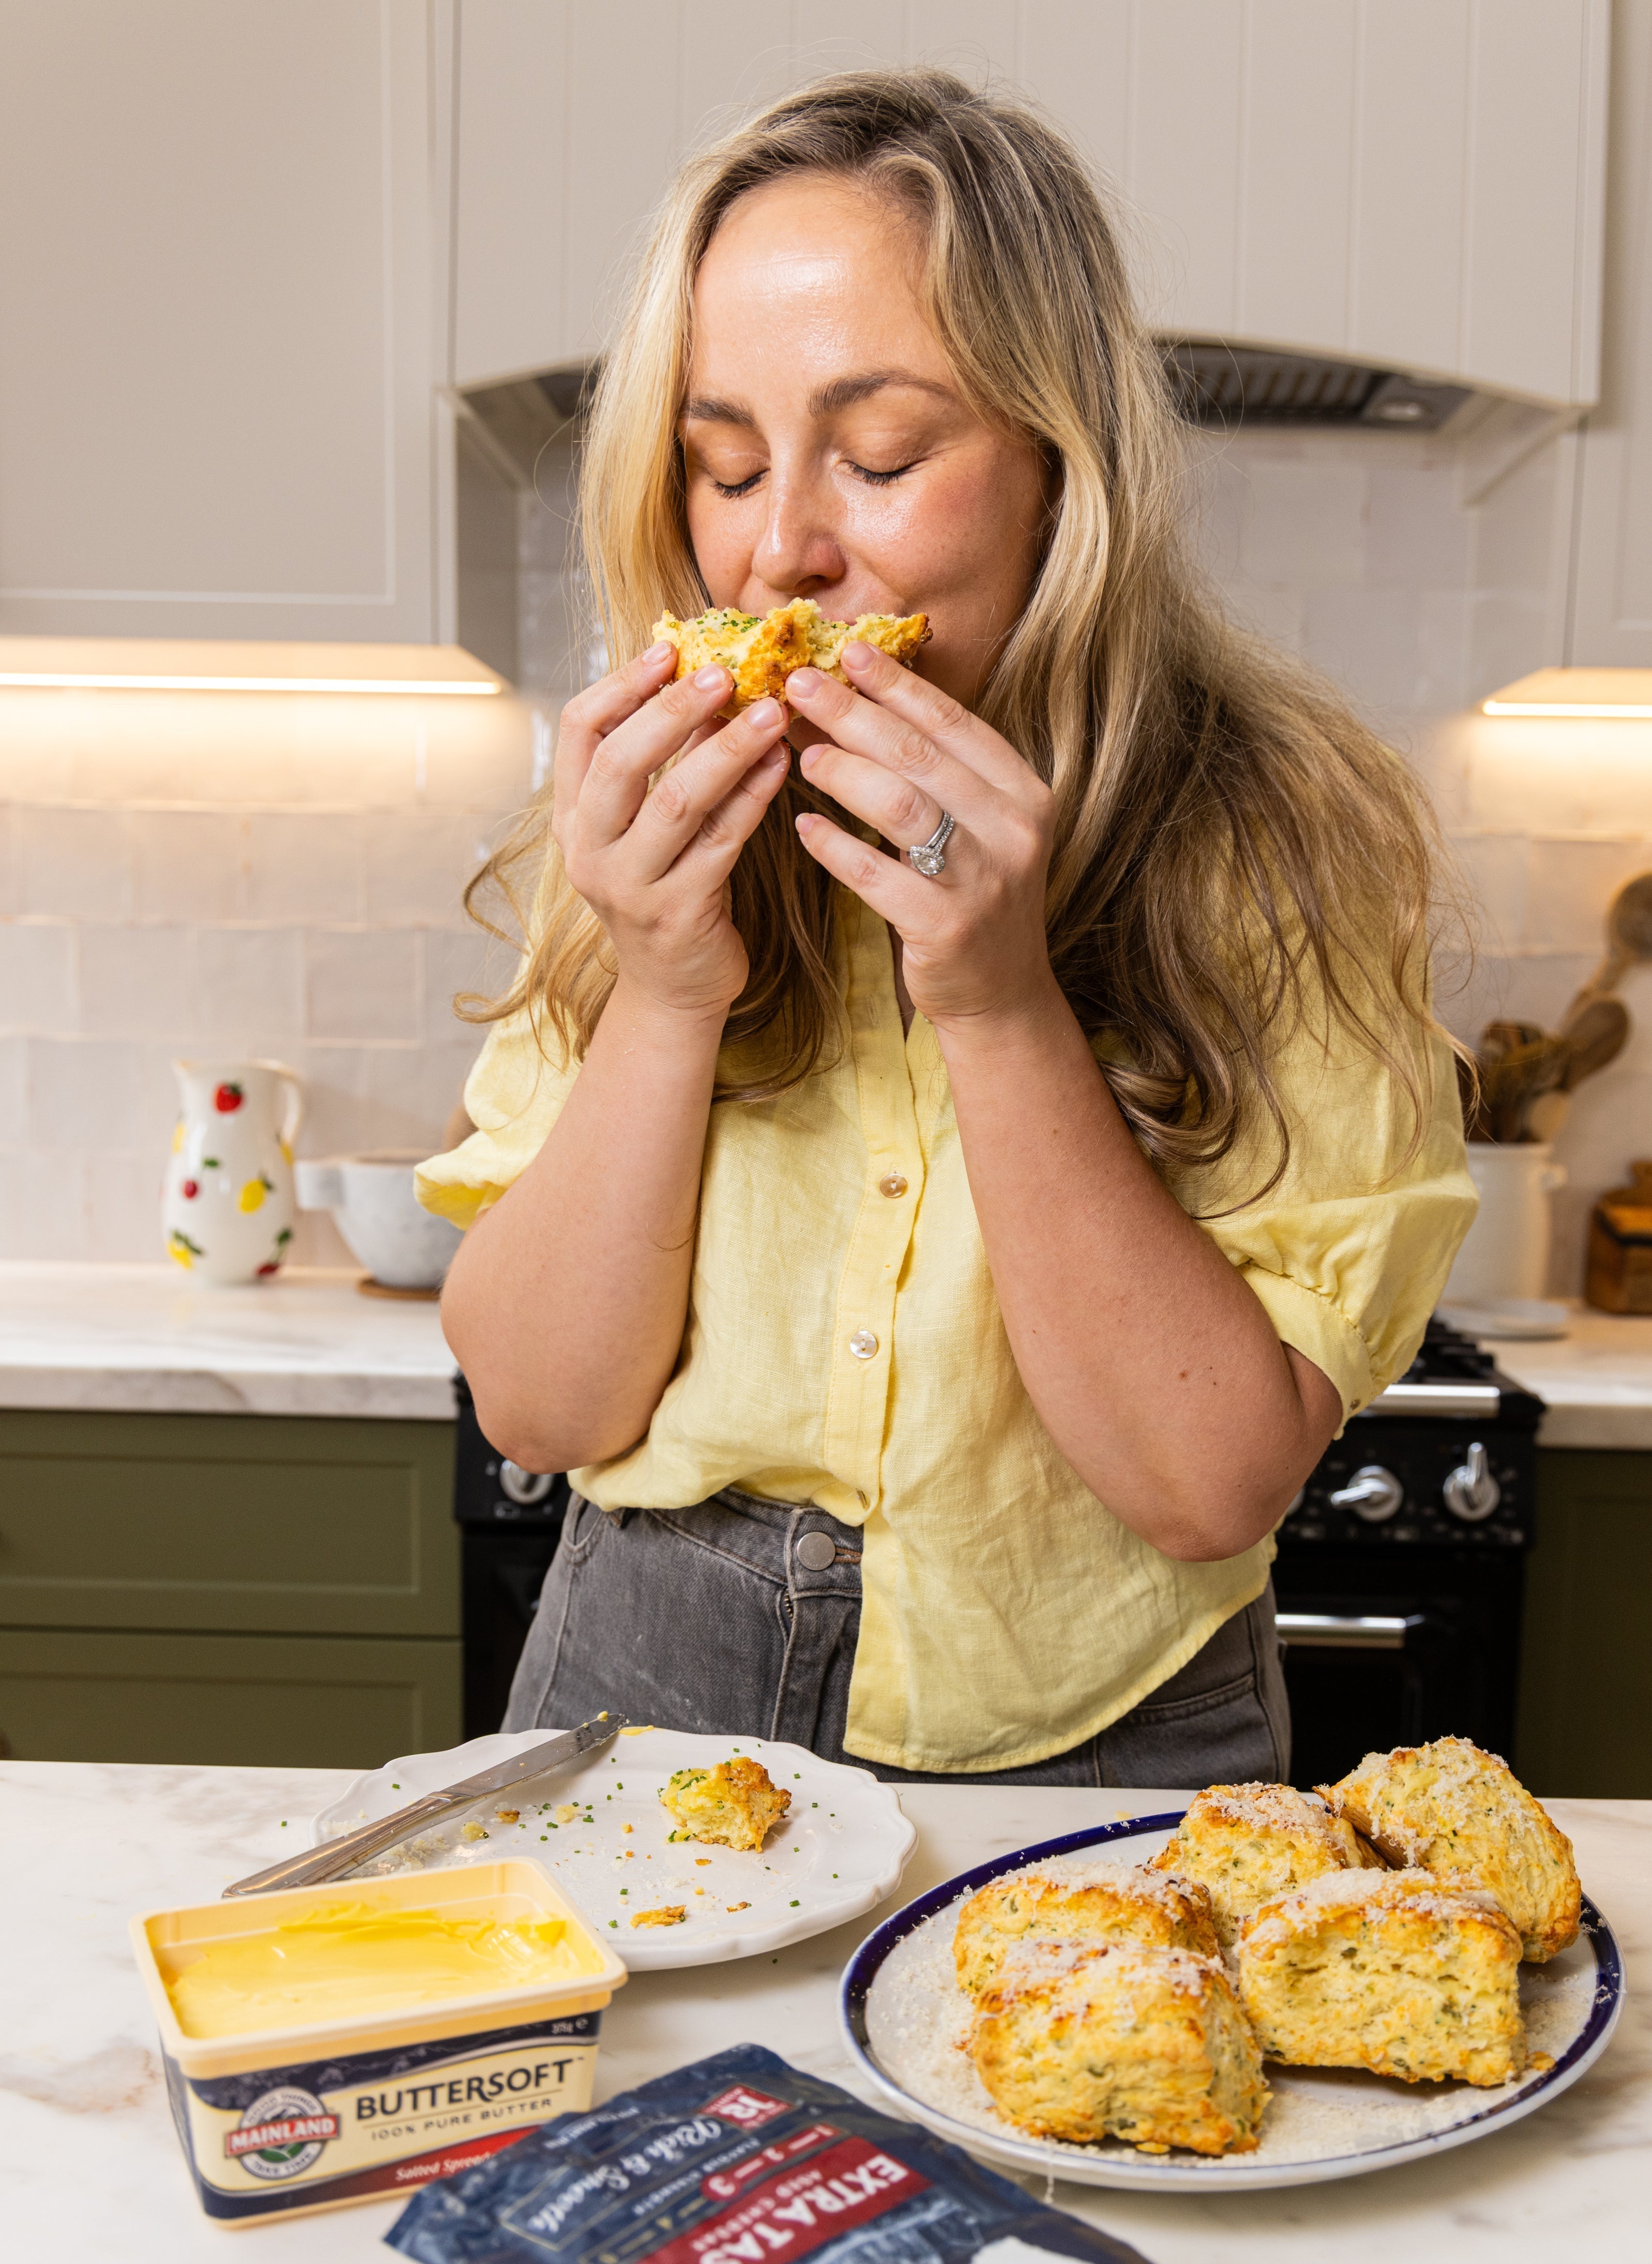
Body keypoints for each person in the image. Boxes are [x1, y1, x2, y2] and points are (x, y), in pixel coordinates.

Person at [418, 70, 1475, 1788]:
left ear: (1064, 463)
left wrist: (998, 1003)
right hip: (640, 1690)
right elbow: (540, 1409)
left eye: (883, 457)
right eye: (724, 464)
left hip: (1102, 1727)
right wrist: (667, 993)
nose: (780, 550)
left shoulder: (1286, 837)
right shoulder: (644, 833)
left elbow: (1208, 1482)